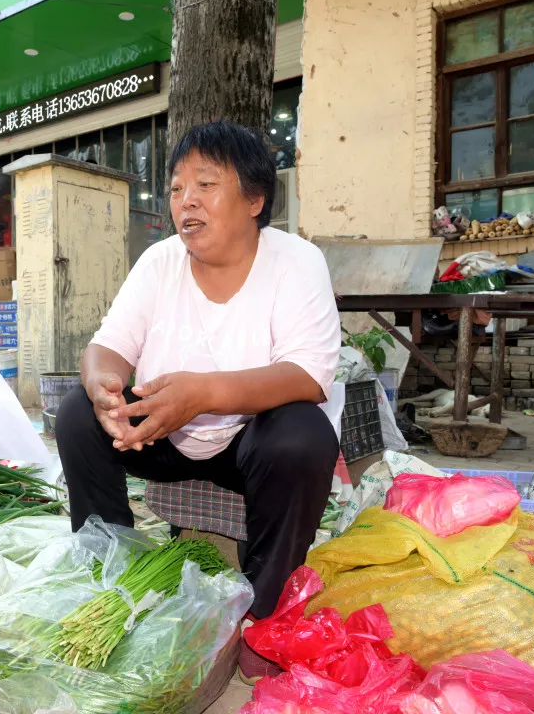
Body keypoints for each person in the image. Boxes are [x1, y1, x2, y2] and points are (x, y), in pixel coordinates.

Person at [55, 120, 342, 684]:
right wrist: (104, 391)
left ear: (255, 199)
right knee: (75, 415)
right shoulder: (160, 262)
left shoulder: (296, 261)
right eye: (176, 187)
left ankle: (267, 613)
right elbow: (107, 348)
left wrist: (203, 393)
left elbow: (308, 375)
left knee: (301, 435)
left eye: (206, 184)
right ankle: (111, 574)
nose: (186, 201)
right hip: (164, 432)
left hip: (250, 445)